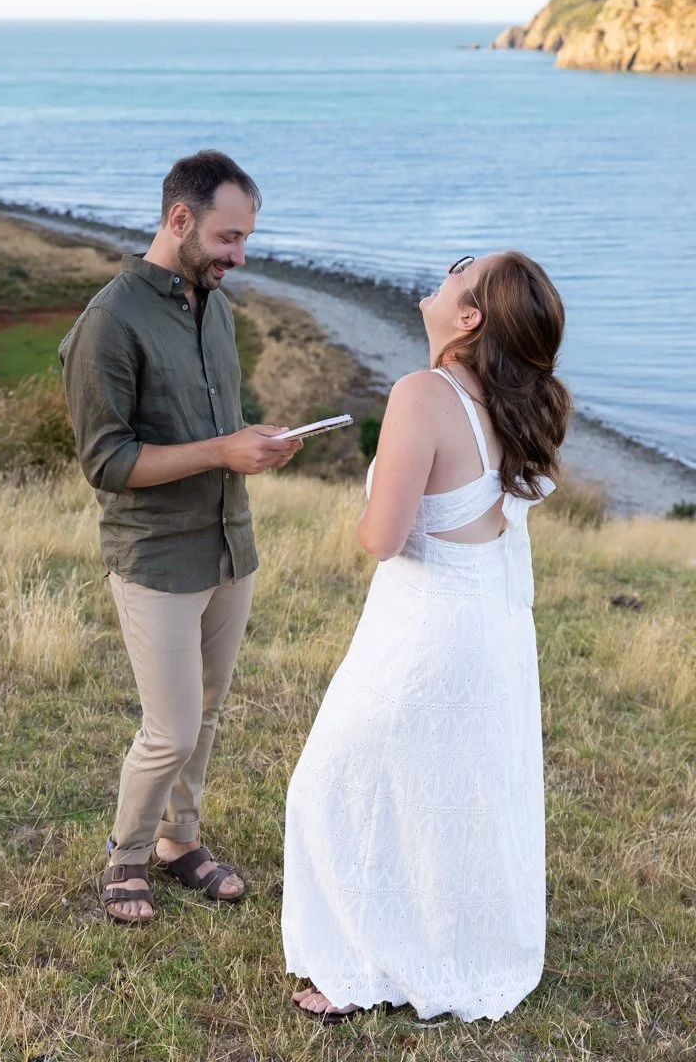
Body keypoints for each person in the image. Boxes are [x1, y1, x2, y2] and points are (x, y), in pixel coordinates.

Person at [282, 251, 571, 1022]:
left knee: (336, 785)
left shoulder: (424, 392)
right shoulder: (517, 399)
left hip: (426, 628)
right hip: (493, 626)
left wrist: (362, 504)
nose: (441, 277)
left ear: (468, 317)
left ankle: (361, 964)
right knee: (456, 790)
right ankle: (453, 947)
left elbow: (382, 537)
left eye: (457, 272)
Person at [60, 150, 301, 925]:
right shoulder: (109, 320)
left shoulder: (219, 308)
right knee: (170, 728)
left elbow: (216, 429)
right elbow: (107, 461)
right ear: (180, 220)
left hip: (230, 544)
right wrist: (220, 452)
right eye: (230, 239)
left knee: (210, 711)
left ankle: (178, 842)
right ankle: (126, 856)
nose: (240, 255)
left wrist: (255, 443)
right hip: (156, 556)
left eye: (247, 241)